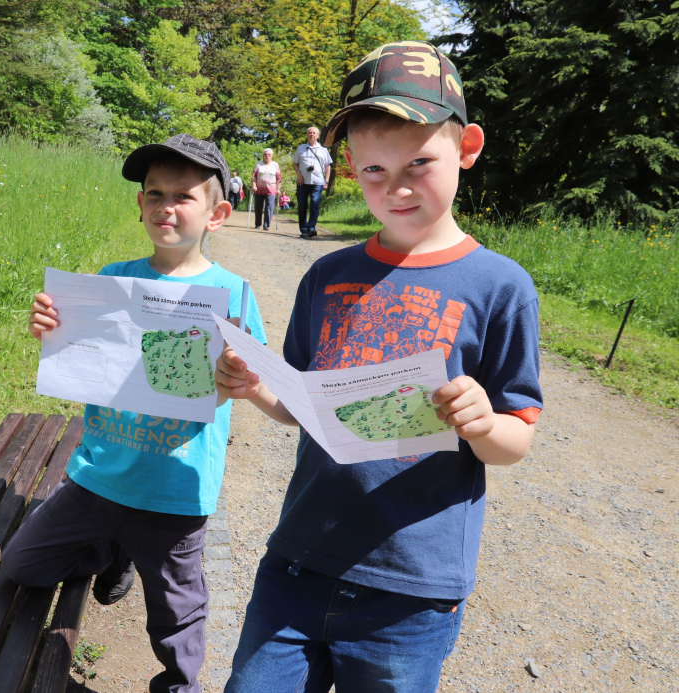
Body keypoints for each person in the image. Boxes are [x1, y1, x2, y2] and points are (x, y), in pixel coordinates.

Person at [216, 42, 543, 693]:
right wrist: (257, 389)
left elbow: (516, 439)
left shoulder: (500, 286)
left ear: (467, 147)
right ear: (346, 168)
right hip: (297, 564)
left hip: (411, 591)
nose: (394, 187)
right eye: (372, 169)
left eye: (419, 163)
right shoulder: (327, 275)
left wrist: (481, 422)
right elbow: (307, 404)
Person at [2, 133, 267, 693]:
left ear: (217, 213)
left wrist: (245, 380)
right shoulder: (111, 278)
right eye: (153, 194)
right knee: (21, 568)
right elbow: (81, 356)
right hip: (98, 476)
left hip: (175, 488)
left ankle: (179, 684)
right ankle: (111, 548)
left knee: (177, 612)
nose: (164, 207)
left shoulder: (233, 294)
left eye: (182, 196)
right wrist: (52, 328)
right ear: (139, 205)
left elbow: (264, 386)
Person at [292, 126, 333, 238]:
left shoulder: (323, 150)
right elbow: (294, 164)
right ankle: (304, 230)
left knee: (314, 204)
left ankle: (311, 228)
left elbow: (328, 166)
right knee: (302, 206)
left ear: (318, 135)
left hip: (318, 182)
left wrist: (326, 181)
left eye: (314, 133)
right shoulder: (301, 148)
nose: (312, 135)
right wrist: (299, 175)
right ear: (307, 135)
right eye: (310, 133)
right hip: (302, 182)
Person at [251, 148, 281, 230]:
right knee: (258, 207)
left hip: (271, 189)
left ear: (271, 156)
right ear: (263, 155)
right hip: (259, 189)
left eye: (269, 154)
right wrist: (254, 185)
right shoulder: (259, 164)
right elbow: (254, 176)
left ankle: (266, 224)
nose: (267, 156)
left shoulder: (275, 165)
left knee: (269, 207)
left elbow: (278, 178)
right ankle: (257, 224)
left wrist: (278, 189)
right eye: (265, 154)